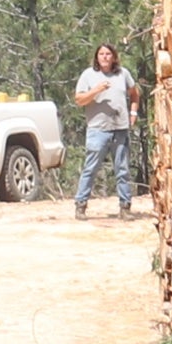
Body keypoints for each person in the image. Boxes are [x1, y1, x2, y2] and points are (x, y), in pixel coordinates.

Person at [71, 44, 138, 216]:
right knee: (91, 168)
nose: (105, 57)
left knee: (122, 169)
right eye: (101, 54)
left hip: (120, 128)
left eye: (108, 54)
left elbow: (134, 93)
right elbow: (79, 99)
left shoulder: (123, 74)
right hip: (98, 129)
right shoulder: (88, 75)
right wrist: (96, 90)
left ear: (114, 56)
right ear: (96, 57)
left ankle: (125, 206)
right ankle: (81, 204)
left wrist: (133, 113)